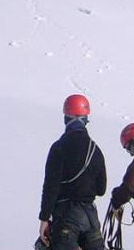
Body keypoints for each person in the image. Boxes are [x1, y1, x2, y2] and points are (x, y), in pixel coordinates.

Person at [38, 94, 107, 250]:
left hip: (66, 216)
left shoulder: (59, 148)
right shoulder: (95, 150)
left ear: (66, 118)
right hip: (90, 217)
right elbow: (101, 189)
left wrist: (44, 218)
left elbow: (51, 187)